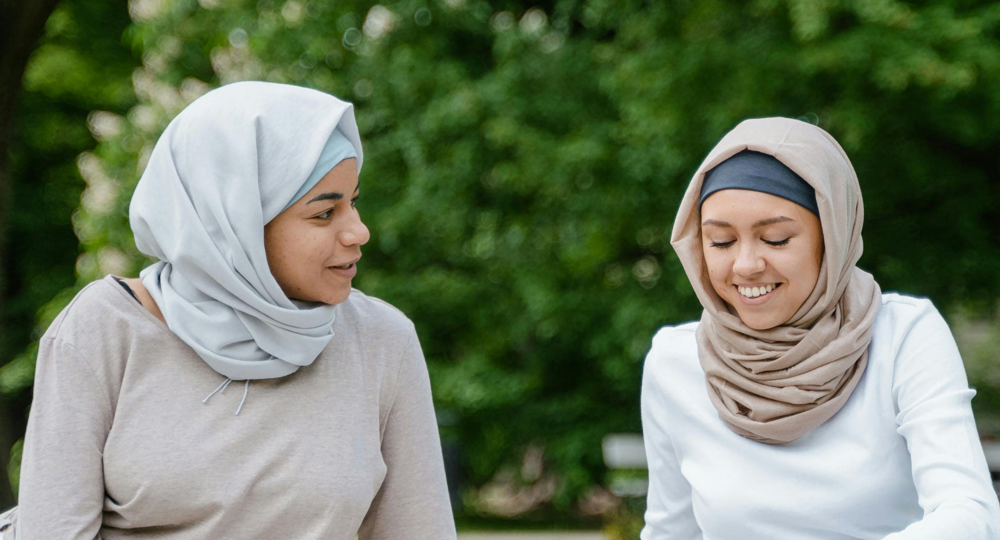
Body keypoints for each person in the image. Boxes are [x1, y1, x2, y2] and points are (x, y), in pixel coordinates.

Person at [17, 81, 457, 539]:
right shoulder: (104, 327)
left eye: (354, 202)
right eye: (324, 213)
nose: (358, 232)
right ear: (236, 222)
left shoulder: (383, 340)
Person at [640, 117, 1000, 539]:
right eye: (720, 242)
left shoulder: (902, 336)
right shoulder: (675, 360)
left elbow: (970, 513)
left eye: (775, 239)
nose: (746, 265)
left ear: (830, 238)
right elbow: (670, 532)